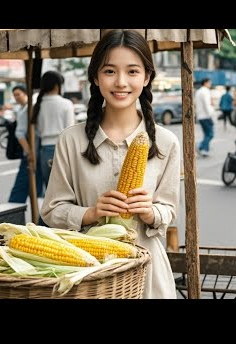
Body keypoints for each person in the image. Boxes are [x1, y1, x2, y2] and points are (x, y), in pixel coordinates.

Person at [41, 29, 179, 299]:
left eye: (132, 71)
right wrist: (90, 213)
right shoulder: (71, 140)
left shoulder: (165, 142)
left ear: (147, 77)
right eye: (109, 71)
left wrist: (151, 212)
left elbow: (170, 210)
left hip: (147, 273)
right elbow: (52, 211)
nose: (121, 82)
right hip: (88, 272)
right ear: (95, 76)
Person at [32, 71, 75, 196]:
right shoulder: (66, 104)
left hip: (44, 151)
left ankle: (46, 216)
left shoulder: (37, 105)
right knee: (66, 192)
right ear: (57, 85)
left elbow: (36, 131)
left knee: (50, 193)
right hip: (63, 149)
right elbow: (70, 130)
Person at [8, 86, 44, 203]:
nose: (16, 97)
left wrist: (29, 152)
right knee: (29, 186)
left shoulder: (28, 109)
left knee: (23, 187)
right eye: (14, 95)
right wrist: (30, 152)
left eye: (18, 94)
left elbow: (20, 133)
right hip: (33, 153)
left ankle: (14, 212)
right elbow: (20, 134)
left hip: (32, 153)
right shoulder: (23, 110)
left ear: (25, 94)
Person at [195, 78, 214, 156]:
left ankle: (203, 148)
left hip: (200, 116)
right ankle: (201, 147)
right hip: (206, 116)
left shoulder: (198, 91)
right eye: (209, 83)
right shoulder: (205, 91)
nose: (210, 84)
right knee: (210, 134)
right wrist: (210, 115)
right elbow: (207, 104)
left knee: (207, 134)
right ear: (205, 83)